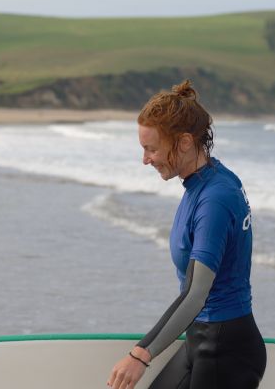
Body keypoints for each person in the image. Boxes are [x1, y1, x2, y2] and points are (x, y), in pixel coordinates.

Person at [107, 80, 266, 389]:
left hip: (226, 349)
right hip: (201, 340)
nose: (145, 159)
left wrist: (141, 355)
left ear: (183, 142)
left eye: (151, 149)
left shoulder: (215, 197)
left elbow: (196, 294)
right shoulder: (206, 182)